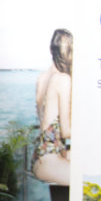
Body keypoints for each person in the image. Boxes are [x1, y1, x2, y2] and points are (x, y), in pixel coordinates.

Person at [32, 28, 73, 184]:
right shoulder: (63, 79)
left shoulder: (42, 78)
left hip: (39, 157)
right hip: (51, 159)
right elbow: (66, 131)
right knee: (87, 182)